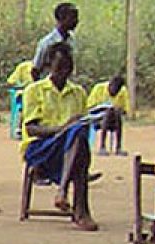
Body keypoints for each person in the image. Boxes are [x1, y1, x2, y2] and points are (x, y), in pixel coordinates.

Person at [21, 44, 97, 231]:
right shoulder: (34, 90)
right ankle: (79, 208)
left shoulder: (78, 92)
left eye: (67, 68)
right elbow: (31, 129)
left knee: (79, 136)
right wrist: (62, 129)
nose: (63, 73)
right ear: (48, 66)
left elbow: (83, 125)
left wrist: (75, 126)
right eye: (59, 67)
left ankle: (64, 193)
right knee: (76, 138)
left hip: (70, 147)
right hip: (41, 148)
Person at [84, 75, 129, 154]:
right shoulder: (98, 88)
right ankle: (102, 146)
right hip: (97, 117)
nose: (114, 93)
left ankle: (118, 147)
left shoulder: (123, 91)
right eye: (113, 90)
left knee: (116, 114)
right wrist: (104, 108)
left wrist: (118, 110)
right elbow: (90, 108)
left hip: (114, 119)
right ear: (110, 84)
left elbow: (125, 110)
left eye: (117, 91)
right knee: (108, 113)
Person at [33, 3, 78, 77]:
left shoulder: (71, 40)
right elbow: (35, 69)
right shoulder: (46, 42)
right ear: (61, 18)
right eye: (72, 18)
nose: (76, 21)